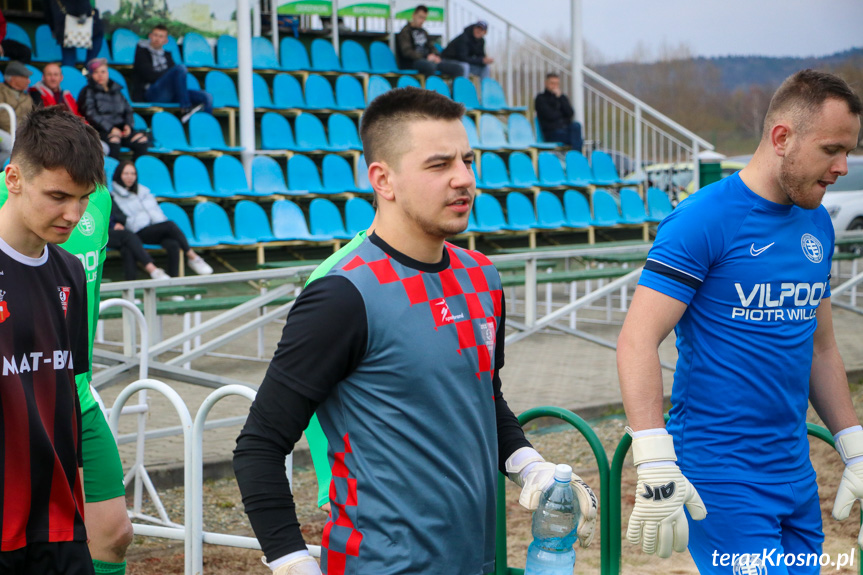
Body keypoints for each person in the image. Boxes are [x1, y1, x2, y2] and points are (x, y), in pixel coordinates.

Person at [233, 87, 598, 575]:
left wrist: (528, 465)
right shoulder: (343, 295)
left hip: (477, 561)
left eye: (467, 161)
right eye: (439, 165)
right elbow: (258, 445)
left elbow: (482, 397)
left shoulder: (483, 277)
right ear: (383, 179)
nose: (463, 179)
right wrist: (290, 560)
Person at [617, 69, 863, 574]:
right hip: (721, 470)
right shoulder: (703, 219)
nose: (843, 166)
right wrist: (654, 455)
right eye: (832, 149)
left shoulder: (815, 220)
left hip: (794, 467)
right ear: (782, 138)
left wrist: (853, 445)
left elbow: (820, 348)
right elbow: (637, 340)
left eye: (850, 151)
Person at [0, 105, 104, 574]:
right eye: (58, 195)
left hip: (59, 527)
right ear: (14, 178)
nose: (73, 214)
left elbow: (66, 396)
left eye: (83, 199)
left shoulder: (70, 273)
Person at [110, 160, 212, 277]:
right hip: (137, 232)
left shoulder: (144, 191)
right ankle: (192, 256)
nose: (130, 177)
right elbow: (121, 219)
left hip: (153, 229)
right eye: (126, 173)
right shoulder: (114, 197)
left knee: (173, 244)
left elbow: (156, 213)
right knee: (170, 225)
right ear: (119, 175)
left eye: (133, 174)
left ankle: (172, 285)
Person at [132, 24, 213, 122]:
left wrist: (169, 75)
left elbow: (172, 76)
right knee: (180, 68)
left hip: (170, 94)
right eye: (155, 35)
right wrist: (168, 74)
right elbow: (149, 75)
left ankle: (204, 129)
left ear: (165, 41)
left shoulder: (167, 56)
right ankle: (185, 109)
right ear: (150, 36)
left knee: (207, 97)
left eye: (161, 36)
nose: (157, 39)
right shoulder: (141, 51)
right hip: (151, 93)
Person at [78, 58, 149, 160]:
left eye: (103, 71)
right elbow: (90, 114)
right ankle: (114, 173)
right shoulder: (87, 91)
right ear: (91, 75)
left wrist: (128, 126)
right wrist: (110, 128)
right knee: (114, 141)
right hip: (100, 131)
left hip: (121, 130)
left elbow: (128, 110)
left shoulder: (117, 90)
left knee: (142, 140)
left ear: (107, 73)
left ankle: (134, 172)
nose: (100, 75)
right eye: (96, 72)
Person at [396, 5, 465, 77]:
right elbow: (407, 52)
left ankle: (451, 87)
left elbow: (431, 47)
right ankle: (431, 87)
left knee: (458, 68)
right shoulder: (405, 31)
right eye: (420, 17)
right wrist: (425, 57)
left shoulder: (424, 32)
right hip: (412, 62)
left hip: (428, 61)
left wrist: (436, 56)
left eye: (424, 18)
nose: (422, 21)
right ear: (414, 15)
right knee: (430, 66)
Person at [108, 200, 170, 281]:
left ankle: (130, 286)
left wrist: (117, 223)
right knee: (128, 235)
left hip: (115, 232)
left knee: (127, 248)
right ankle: (152, 269)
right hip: (97, 234)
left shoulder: (106, 195)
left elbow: (120, 215)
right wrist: (111, 224)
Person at [44, 0, 104, 68]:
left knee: (68, 59)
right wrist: (83, 12)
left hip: (62, 24)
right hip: (82, 20)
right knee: (91, 58)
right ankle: (88, 70)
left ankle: (70, 75)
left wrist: (53, 28)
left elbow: (47, 9)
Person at [535, 72, 583, 151]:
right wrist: (563, 114)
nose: (554, 86)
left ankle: (575, 157)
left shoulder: (562, 97)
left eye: (557, 84)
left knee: (576, 125)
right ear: (546, 83)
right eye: (552, 83)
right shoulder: (540, 98)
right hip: (551, 133)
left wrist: (561, 98)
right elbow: (550, 116)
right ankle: (577, 158)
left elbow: (570, 113)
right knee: (577, 139)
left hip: (565, 130)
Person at [0, 61, 33, 167]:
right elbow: (3, 118)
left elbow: (32, 116)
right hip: (4, 131)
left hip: (20, 132)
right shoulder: (1, 91)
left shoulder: (27, 97)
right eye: (25, 77)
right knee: (12, 145)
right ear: (13, 78)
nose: (29, 81)